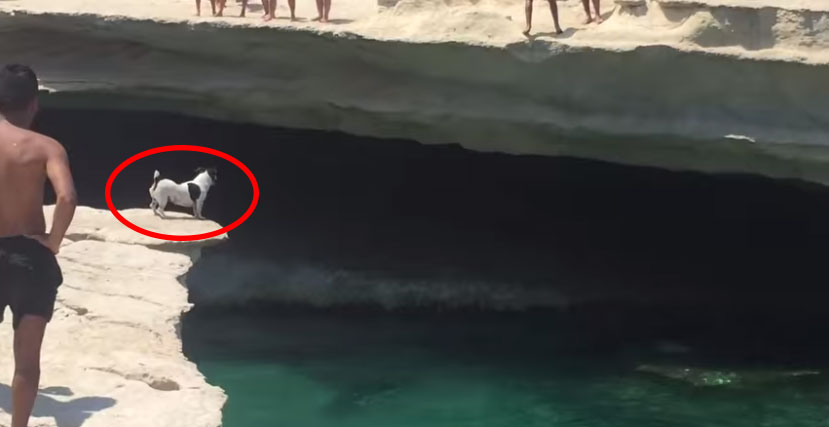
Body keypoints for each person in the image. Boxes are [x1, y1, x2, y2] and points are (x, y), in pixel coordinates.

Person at [0, 64, 77, 427]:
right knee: (27, 361)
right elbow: (66, 198)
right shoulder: (47, 147)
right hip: (30, 258)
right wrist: (53, 242)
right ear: (33, 104)